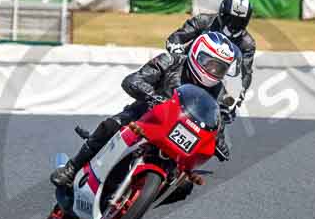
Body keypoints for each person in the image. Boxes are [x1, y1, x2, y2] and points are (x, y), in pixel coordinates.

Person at [51, 31, 239, 189]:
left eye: (220, 68)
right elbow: (134, 80)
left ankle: (132, 208)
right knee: (112, 125)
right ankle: (72, 168)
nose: (213, 72)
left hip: (178, 136)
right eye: (210, 64)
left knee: (184, 186)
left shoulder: (218, 89)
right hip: (145, 117)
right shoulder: (172, 61)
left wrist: (218, 140)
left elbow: (215, 118)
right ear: (197, 53)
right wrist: (152, 96)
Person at [166, 0, 256, 108]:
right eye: (230, 19)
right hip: (187, 70)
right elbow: (177, 37)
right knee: (166, 87)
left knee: (224, 112)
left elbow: (246, 71)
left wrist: (241, 90)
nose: (234, 24)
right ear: (222, 13)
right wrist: (176, 52)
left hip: (217, 81)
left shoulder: (247, 43)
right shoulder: (203, 20)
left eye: (240, 21)